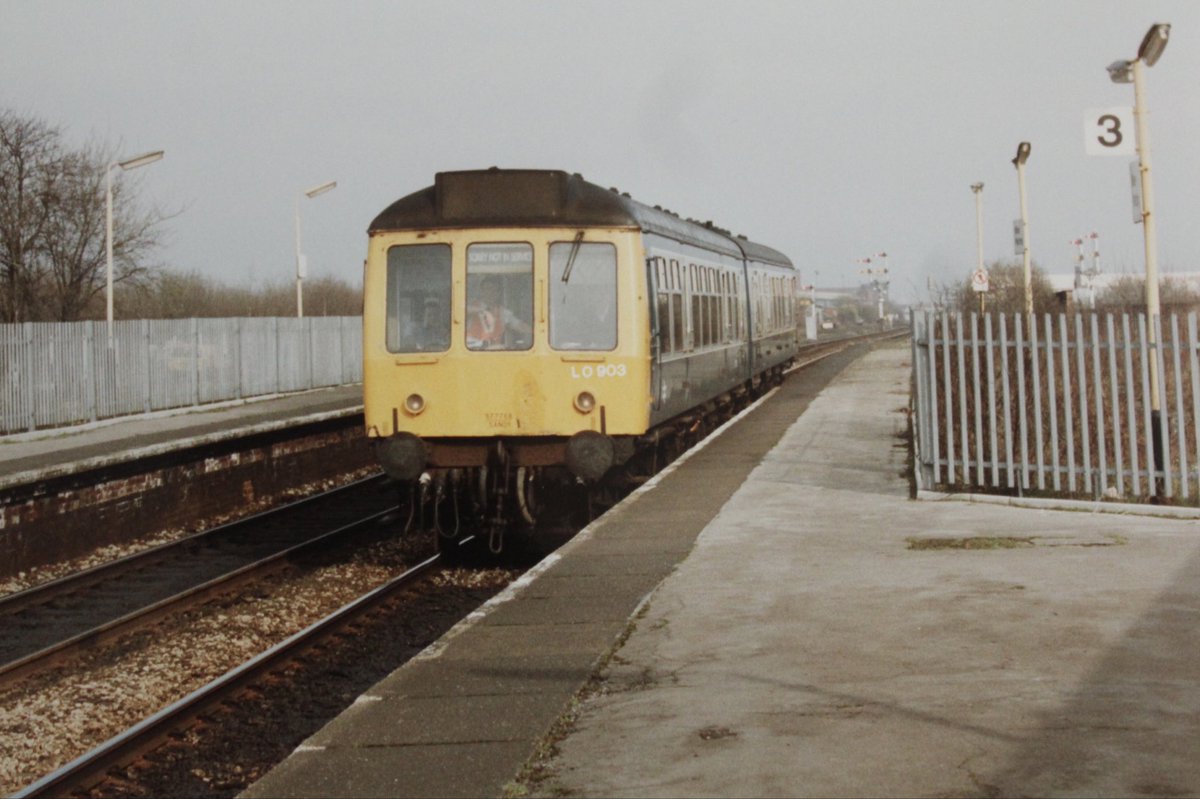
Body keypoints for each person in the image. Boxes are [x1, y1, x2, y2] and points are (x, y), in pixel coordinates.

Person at [467, 277, 531, 349]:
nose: (491, 292)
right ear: (482, 291)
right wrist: (482, 310)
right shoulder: (471, 307)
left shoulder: (503, 312)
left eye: (495, 290)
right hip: (472, 350)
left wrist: (536, 332)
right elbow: (461, 312)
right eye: (488, 289)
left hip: (494, 351)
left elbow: (520, 325)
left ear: (498, 293)